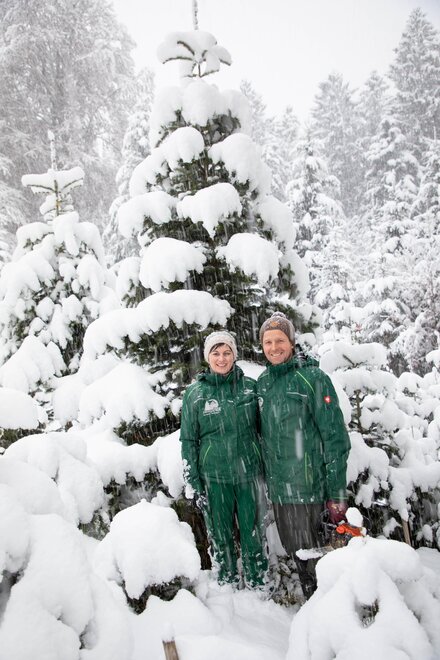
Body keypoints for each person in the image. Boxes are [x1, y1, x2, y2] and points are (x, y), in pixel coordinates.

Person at [257, 312, 350, 599]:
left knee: (320, 562)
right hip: (280, 492)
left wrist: (337, 494)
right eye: (268, 342)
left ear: (291, 342)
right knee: (298, 555)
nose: (274, 347)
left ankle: (331, 612)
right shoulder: (263, 382)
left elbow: (335, 438)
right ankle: (314, 610)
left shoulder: (313, 378)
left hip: (310, 491)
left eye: (280, 340)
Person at [180, 330, 268, 589]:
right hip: (214, 477)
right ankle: (226, 582)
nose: (222, 358)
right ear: (208, 357)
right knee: (220, 534)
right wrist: (193, 481)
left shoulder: (250, 388)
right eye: (216, 353)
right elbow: (188, 440)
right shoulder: (195, 394)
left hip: (249, 474)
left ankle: (258, 581)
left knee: (253, 532)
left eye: (227, 352)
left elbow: (265, 431)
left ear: (234, 355)